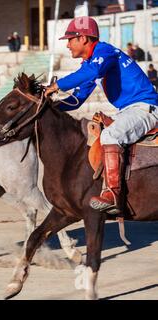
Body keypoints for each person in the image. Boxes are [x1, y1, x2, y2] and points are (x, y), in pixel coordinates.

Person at [45, 16, 158, 214]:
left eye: (70, 40)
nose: (68, 46)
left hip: (145, 107)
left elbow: (89, 73)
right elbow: (77, 99)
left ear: (83, 38)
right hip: (129, 110)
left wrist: (56, 85)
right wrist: (50, 107)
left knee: (110, 135)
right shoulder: (92, 65)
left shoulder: (103, 52)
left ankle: (112, 193)